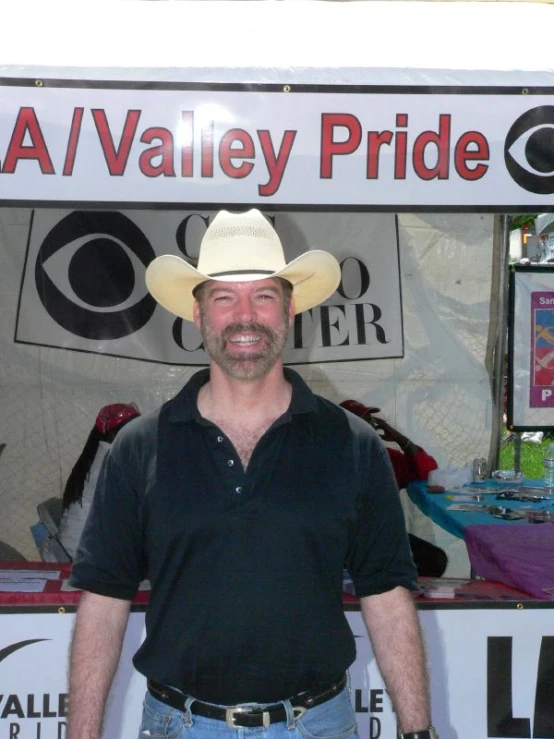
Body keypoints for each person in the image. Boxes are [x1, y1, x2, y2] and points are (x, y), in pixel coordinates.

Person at [67, 209, 436, 739]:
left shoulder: (351, 444)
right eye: (224, 298)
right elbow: (103, 600)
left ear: (289, 312)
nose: (245, 316)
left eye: (263, 296)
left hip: (317, 725)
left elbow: (386, 593)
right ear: (198, 315)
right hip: (179, 725)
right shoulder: (139, 447)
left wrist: (418, 731)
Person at [340, 400, 447, 578]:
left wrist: (399, 438)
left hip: (381, 535)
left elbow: (427, 472)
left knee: (434, 560)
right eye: (362, 421)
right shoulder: (328, 457)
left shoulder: (385, 457)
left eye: (370, 421)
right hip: (342, 538)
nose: (370, 426)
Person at [58, 403, 140, 559]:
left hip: (79, 546)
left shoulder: (99, 456)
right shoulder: (113, 463)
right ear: (112, 434)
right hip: (85, 554)